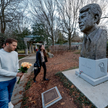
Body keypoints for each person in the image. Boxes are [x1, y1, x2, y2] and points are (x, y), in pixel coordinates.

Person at [0, 38, 23, 108]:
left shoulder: (15, 53)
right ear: (7, 44)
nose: (15, 47)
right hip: (2, 81)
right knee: (3, 101)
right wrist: (15, 74)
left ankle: (9, 103)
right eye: (14, 45)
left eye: (16, 46)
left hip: (13, 80)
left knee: (10, 95)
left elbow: (16, 65)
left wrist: (19, 72)